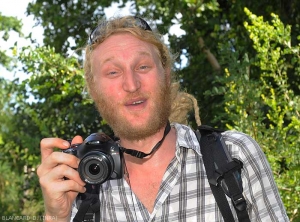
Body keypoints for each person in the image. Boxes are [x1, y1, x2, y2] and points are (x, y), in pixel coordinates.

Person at [37, 15, 289, 222]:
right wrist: (56, 216)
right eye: (113, 72)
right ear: (94, 90)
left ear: (166, 75)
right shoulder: (82, 188)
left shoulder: (234, 156)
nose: (131, 84)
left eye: (143, 66)